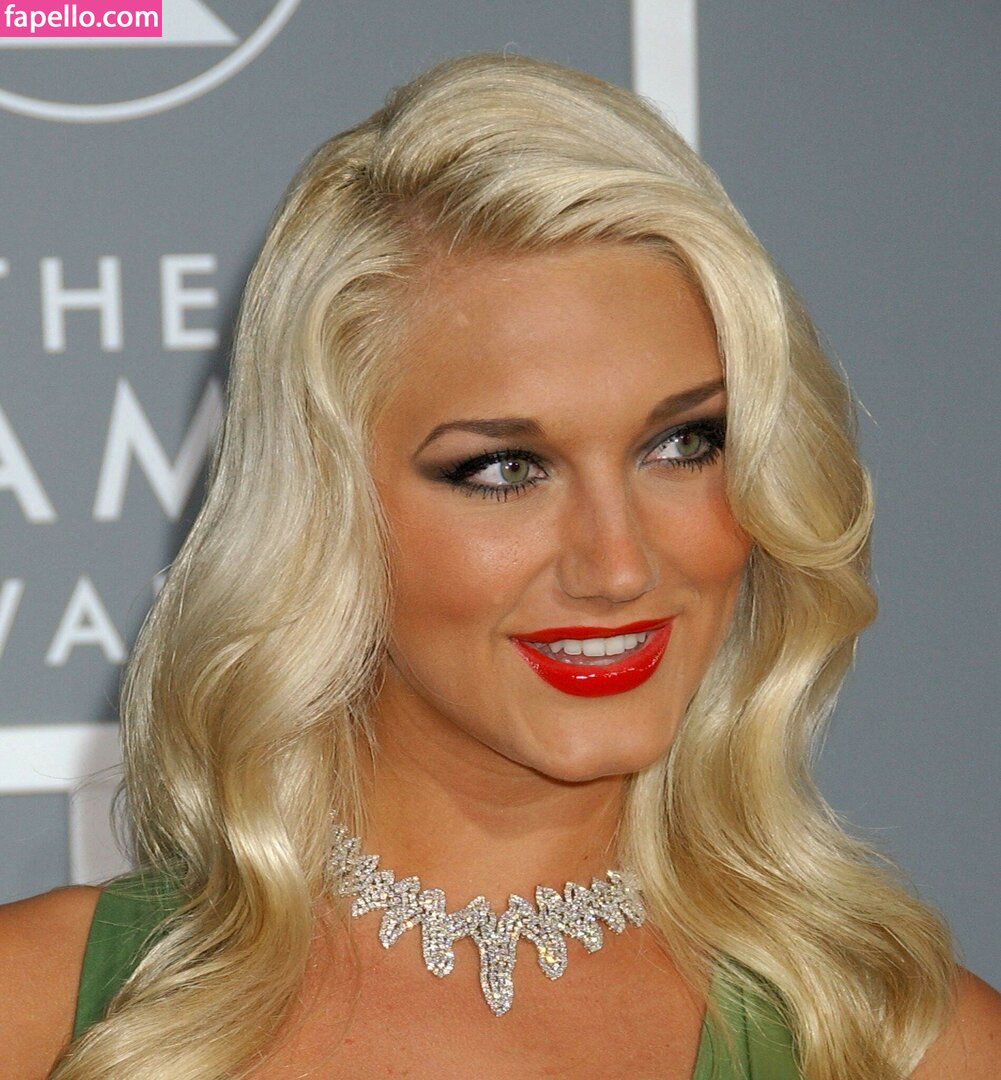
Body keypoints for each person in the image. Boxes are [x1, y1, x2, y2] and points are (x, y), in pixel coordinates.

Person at [1, 52, 998, 1080]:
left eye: (681, 445)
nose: (617, 565)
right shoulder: (38, 1011)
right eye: (505, 468)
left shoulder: (901, 1043)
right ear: (325, 508)